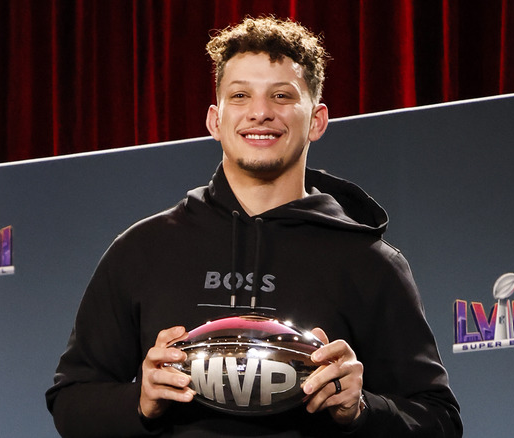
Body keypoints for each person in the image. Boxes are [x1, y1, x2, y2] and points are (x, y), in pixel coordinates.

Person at [46, 16, 462, 437]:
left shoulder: (370, 262)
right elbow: (70, 402)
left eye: (281, 96)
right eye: (240, 95)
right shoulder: (142, 250)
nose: (260, 113)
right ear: (215, 119)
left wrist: (362, 409)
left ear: (316, 120)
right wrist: (139, 402)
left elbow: (440, 422)